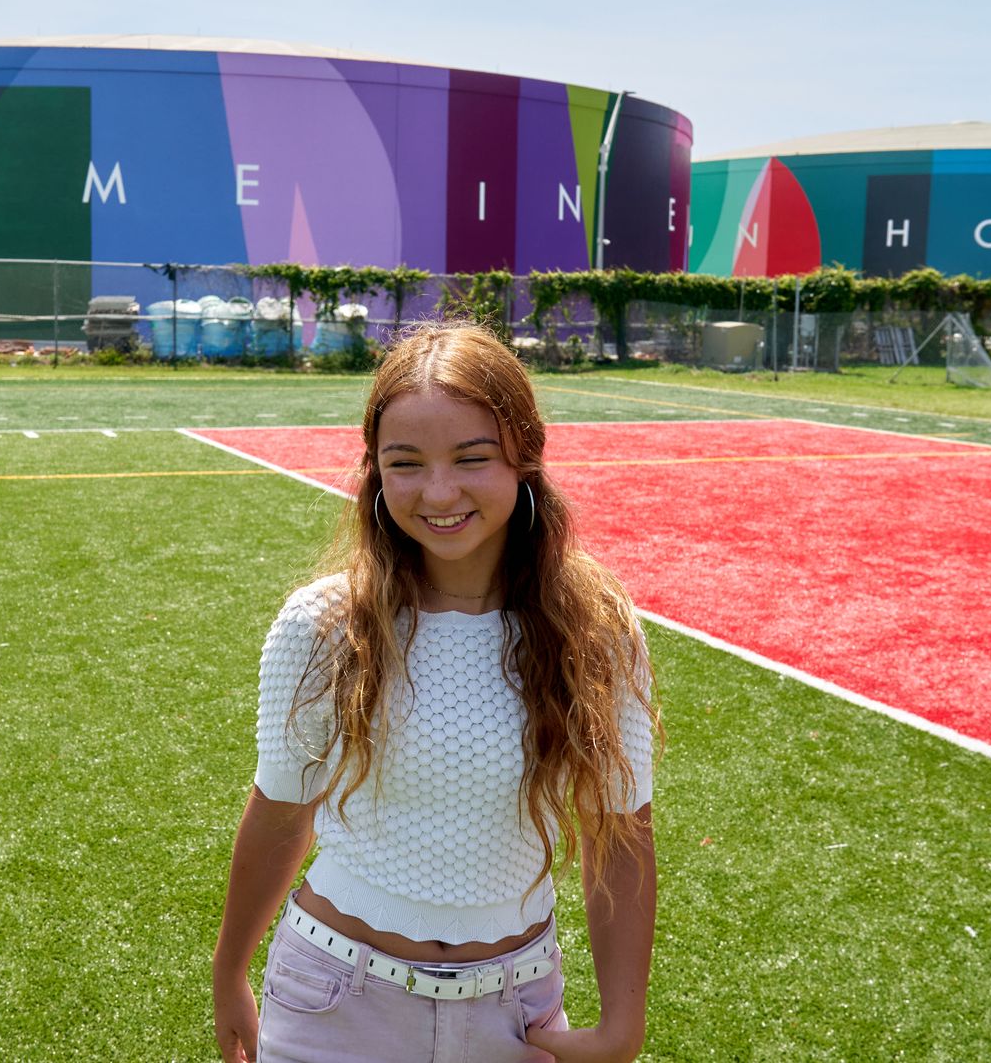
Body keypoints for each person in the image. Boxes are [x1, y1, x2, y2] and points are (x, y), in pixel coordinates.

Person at [212, 322, 660, 1063]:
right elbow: (282, 808)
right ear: (375, 472)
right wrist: (230, 970)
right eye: (406, 463)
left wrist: (623, 1024)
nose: (439, 491)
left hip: (515, 1013)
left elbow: (622, 831)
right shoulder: (325, 624)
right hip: (333, 1001)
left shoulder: (597, 628)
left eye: (472, 458)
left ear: (525, 457)